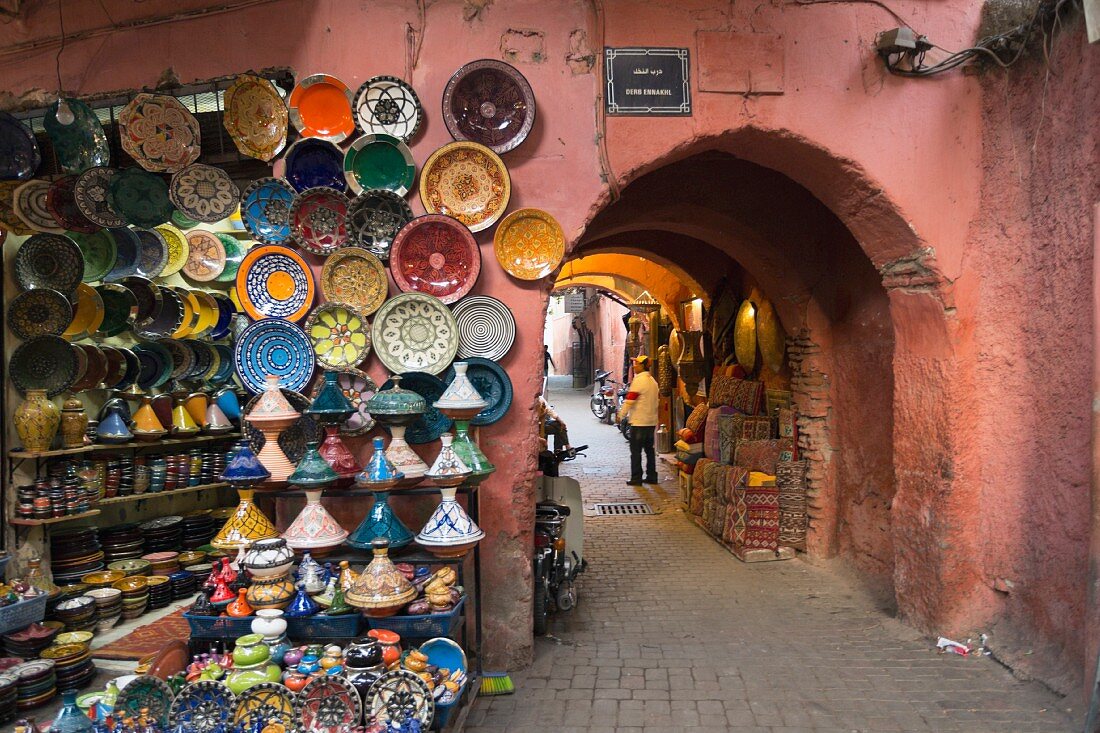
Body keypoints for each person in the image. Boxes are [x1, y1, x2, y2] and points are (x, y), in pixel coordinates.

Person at [618, 354, 659, 486]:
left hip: (639, 422)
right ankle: (652, 476)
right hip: (651, 422)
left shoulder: (639, 381)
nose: (634, 366)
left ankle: (636, 478)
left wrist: (621, 415)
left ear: (643, 366)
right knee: (649, 451)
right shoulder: (653, 381)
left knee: (635, 452)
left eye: (637, 364)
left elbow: (630, 400)